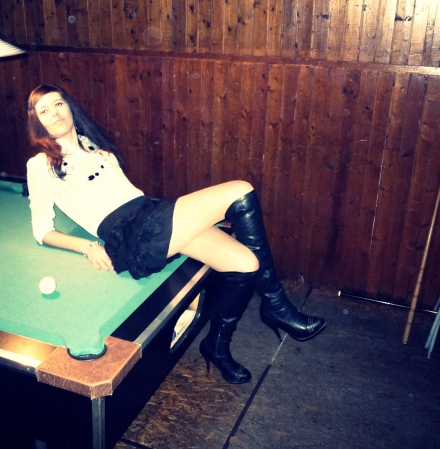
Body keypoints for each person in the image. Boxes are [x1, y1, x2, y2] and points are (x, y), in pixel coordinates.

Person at [26, 84, 326, 385]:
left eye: (58, 104)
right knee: (241, 190)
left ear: (70, 107)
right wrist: (88, 247)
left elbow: (129, 194)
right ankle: (276, 304)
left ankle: (217, 346)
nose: (54, 113)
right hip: (129, 235)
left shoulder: (95, 146)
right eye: (44, 110)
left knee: (246, 264)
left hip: (150, 213)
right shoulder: (40, 164)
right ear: (38, 121)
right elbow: (42, 230)